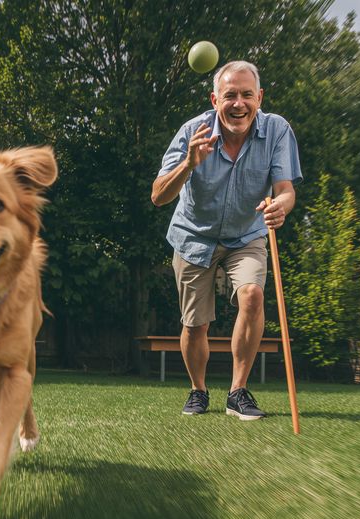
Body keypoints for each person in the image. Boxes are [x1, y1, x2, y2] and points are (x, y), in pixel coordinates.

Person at [150, 60, 302, 419]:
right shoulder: (193, 131)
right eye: (230, 95)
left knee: (252, 296)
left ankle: (237, 392)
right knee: (195, 323)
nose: (239, 103)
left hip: (246, 233)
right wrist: (189, 163)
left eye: (247, 95)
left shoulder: (277, 130)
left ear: (259, 97)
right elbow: (158, 195)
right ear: (214, 99)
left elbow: (285, 190)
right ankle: (198, 391)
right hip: (193, 235)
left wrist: (281, 206)